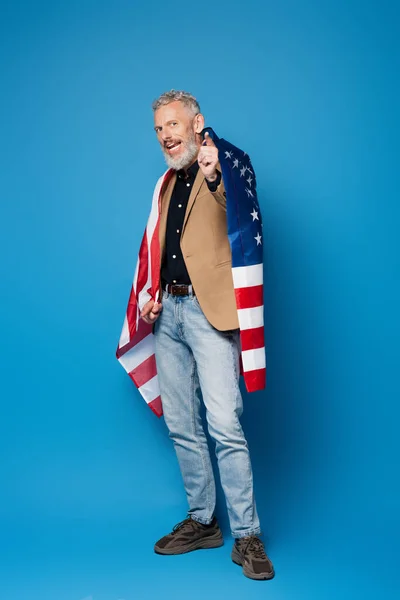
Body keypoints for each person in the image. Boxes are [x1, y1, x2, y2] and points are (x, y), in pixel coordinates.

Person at [140, 90, 274, 581]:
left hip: (209, 313)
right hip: (168, 313)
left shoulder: (227, 167)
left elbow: (232, 201)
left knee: (223, 423)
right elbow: (161, 246)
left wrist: (215, 172)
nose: (166, 136)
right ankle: (203, 522)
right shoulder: (166, 183)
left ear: (198, 123)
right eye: (158, 129)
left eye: (173, 125)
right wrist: (150, 296)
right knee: (182, 424)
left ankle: (248, 534)